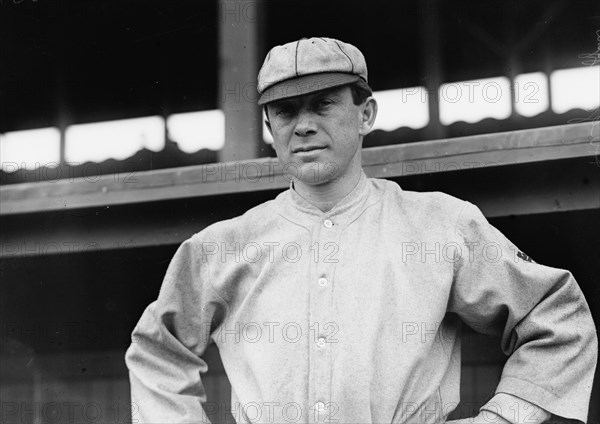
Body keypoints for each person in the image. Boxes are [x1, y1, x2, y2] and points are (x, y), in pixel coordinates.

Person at [125, 37, 597, 424]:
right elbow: (157, 351)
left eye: (323, 104)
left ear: (365, 114)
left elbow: (557, 318)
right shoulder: (221, 246)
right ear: (268, 125)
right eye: (286, 111)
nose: (304, 126)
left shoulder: (441, 224)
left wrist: (502, 419)